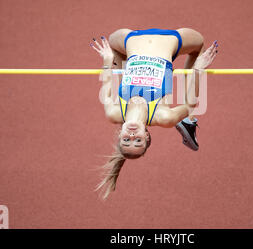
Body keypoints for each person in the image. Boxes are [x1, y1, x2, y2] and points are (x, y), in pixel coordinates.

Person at [90, 28, 218, 199]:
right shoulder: (163, 117)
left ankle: (128, 64)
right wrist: (198, 70)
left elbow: (107, 84)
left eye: (126, 140)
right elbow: (189, 103)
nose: (132, 135)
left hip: (132, 40)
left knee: (113, 41)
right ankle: (188, 121)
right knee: (199, 43)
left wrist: (107, 61)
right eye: (138, 140)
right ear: (147, 136)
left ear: (120, 134)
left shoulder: (114, 113)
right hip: (168, 42)